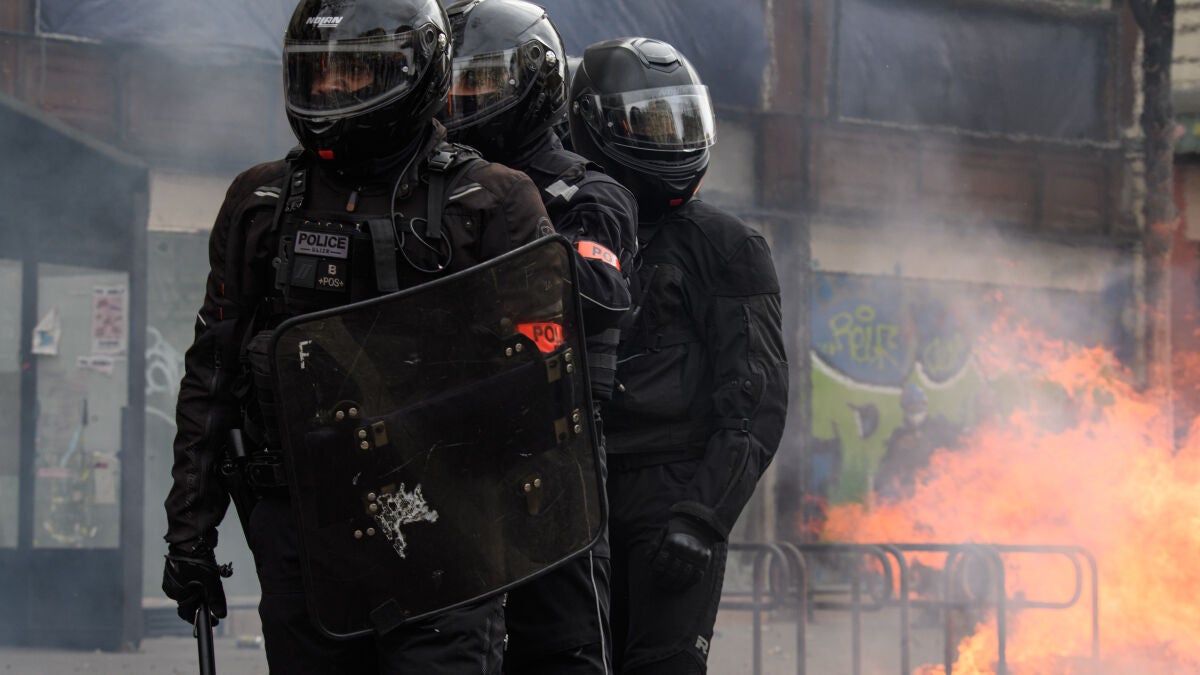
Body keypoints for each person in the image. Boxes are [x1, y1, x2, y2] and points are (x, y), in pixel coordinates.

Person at [160, 0, 553, 672]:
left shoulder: (493, 201)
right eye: (320, 72)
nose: (333, 88)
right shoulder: (261, 203)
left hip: (450, 533)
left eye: (355, 71)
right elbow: (213, 374)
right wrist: (189, 532)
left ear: (415, 70)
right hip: (307, 535)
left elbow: (547, 378)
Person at [568, 38, 789, 674]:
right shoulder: (563, 223)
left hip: (668, 492)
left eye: (678, 122)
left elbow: (755, 399)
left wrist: (701, 517)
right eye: (648, 124)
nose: (668, 141)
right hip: (573, 484)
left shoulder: (726, 246)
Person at [439, 2, 638, 672]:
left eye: (481, 82)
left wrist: (517, 234)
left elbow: (601, 293)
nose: (463, 99)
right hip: (448, 444)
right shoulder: (431, 189)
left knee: (564, 647)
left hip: (553, 447)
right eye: (453, 83)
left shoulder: (587, 189)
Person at [874, 384, 961, 502]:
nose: (915, 411)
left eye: (919, 406)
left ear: (925, 405)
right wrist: (898, 448)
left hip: (939, 491)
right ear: (904, 408)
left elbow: (955, 450)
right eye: (911, 407)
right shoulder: (898, 436)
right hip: (910, 497)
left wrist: (923, 442)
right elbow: (886, 469)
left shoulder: (938, 427)